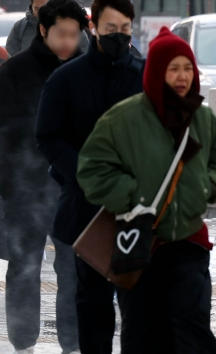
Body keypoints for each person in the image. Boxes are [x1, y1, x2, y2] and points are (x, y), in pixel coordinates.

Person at [77, 27, 216, 354]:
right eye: (173, 68)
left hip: (188, 242)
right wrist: (132, 194)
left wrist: (204, 186)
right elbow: (91, 168)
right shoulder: (123, 119)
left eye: (187, 68)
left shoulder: (204, 118)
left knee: (192, 322)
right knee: (142, 333)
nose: (182, 76)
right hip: (140, 244)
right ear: (156, 71)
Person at [36, 0, 145, 354]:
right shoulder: (67, 79)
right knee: (92, 302)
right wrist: (85, 172)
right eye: (111, 29)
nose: (120, 37)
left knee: (138, 305)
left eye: (126, 29)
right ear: (94, 27)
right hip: (86, 207)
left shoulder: (145, 76)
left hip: (138, 207)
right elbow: (47, 137)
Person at [0, 0, 88, 354]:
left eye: (74, 34)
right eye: (61, 33)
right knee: (24, 267)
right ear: (43, 30)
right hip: (23, 188)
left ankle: (71, 344)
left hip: (72, 188)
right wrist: (32, 137)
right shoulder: (17, 69)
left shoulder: (87, 71)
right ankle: (23, 343)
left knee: (73, 270)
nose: (67, 42)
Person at [6, 0, 89, 56]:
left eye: (47, 7)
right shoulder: (21, 28)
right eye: (37, 8)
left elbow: (84, 63)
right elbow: (9, 62)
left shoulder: (74, 30)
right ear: (32, 6)